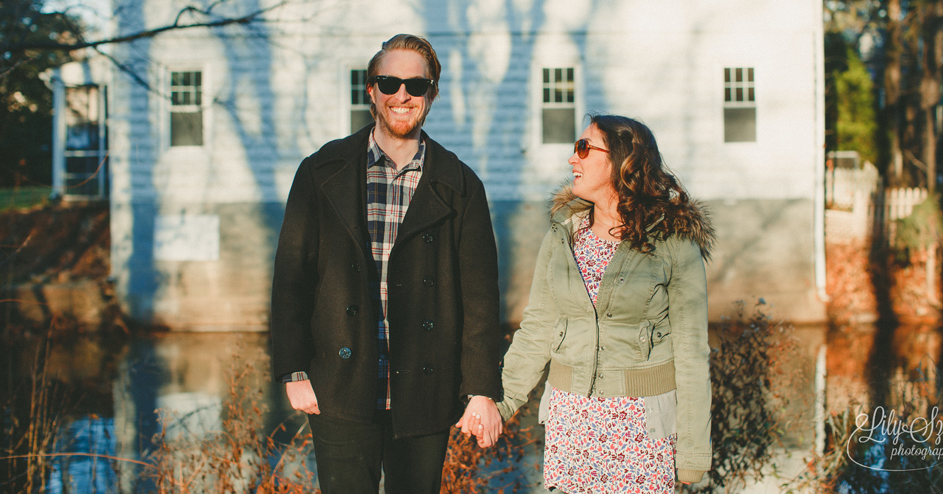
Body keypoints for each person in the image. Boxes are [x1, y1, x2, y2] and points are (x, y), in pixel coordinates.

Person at [270, 33, 504, 494]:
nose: (402, 95)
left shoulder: (460, 185)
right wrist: (293, 370)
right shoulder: (321, 171)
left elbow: (480, 297)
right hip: (338, 385)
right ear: (371, 90)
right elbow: (290, 277)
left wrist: (481, 387)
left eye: (416, 86)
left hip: (425, 389)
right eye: (389, 82)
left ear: (431, 94)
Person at [492, 114, 714, 492]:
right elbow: (537, 329)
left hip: (640, 428)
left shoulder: (673, 241)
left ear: (623, 161)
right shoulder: (563, 235)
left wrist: (693, 452)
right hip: (571, 422)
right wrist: (501, 403)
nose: (571, 159)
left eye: (583, 148)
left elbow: (692, 351)